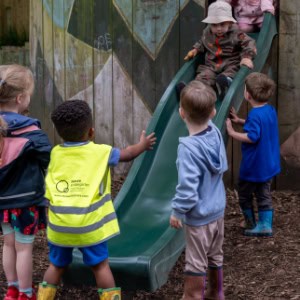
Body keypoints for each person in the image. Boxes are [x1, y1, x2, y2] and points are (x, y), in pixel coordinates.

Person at [37, 100, 156, 300]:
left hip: (59, 225)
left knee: (56, 265)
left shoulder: (55, 153)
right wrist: (142, 146)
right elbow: (127, 154)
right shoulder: (101, 152)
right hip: (89, 225)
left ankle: (43, 297)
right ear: (91, 132)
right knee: (100, 267)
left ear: (59, 133)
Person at [170, 81, 228, 299]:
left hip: (200, 218)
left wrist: (177, 211)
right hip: (217, 211)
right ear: (213, 112)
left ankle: (193, 296)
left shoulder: (188, 148)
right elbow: (205, 116)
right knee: (215, 254)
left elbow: (187, 189)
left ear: (181, 113)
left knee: (196, 261)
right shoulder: (215, 132)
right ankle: (216, 293)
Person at [0, 64, 52, 300]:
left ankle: (11, 290)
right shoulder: (31, 131)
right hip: (25, 202)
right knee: (24, 248)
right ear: (21, 98)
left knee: (8, 244)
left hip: (1, 201)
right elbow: (49, 159)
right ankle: (25, 293)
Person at [226, 72, 280, 237]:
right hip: (268, 164)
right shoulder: (269, 110)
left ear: (247, 94)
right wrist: (240, 120)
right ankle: (265, 224)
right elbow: (260, 126)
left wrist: (231, 131)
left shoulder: (255, 115)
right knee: (264, 194)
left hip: (254, 167)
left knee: (244, 194)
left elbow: (252, 136)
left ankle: (252, 222)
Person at [183, 1, 256, 99]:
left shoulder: (236, 33)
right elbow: (202, 41)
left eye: (222, 24)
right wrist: (195, 49)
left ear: (229, 23)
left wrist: (247, 57)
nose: (218, 29)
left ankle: (225, 85)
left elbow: (249, 43)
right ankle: (191, 92)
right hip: (212, 64)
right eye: (214, 25)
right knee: (204, 76)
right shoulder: (208, 32)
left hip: (230, 63)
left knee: (230, 73)